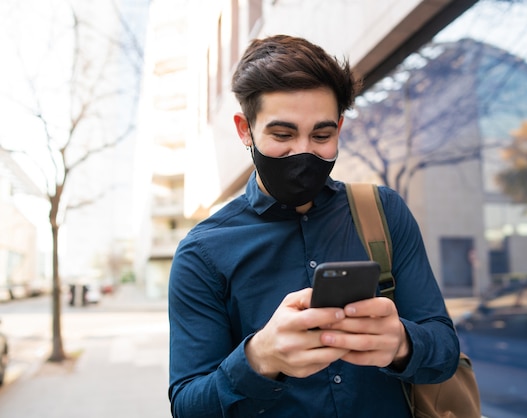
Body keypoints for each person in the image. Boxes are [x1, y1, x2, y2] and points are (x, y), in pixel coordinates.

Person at [168, 34, 459, 417]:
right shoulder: (202, 252)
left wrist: (403, 344)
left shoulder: (383, 212)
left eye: (322, 135)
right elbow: (188, 406)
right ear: (245, 130)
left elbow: (445, 352)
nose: (303, 151)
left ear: (339, 127)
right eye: (282, 134)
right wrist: (258, 358)